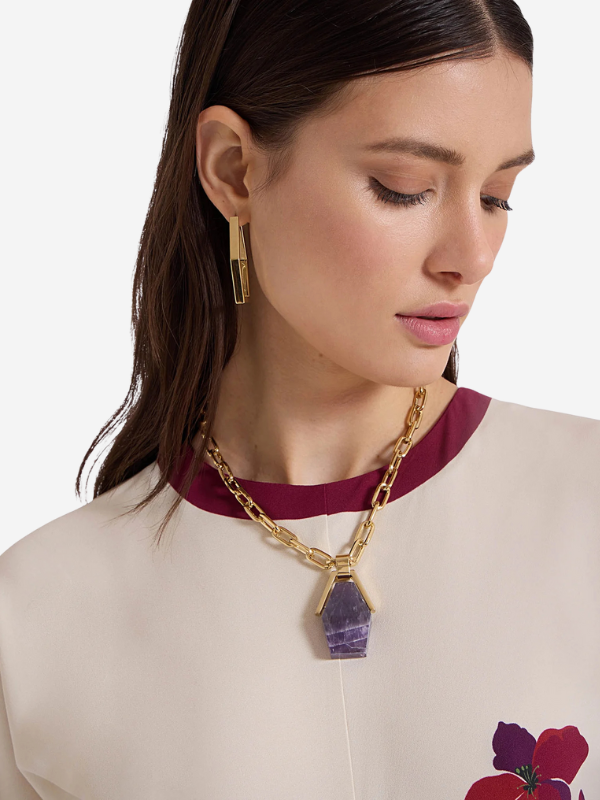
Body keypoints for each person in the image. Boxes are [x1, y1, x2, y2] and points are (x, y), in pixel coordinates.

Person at [1, 0, 598, 797]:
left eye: (497, 196)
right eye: (404, 188)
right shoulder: (36, 616)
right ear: (233, 170)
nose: (473, 256)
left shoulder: (586, 505)